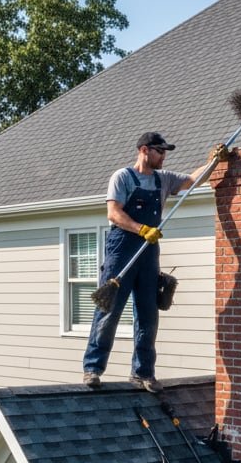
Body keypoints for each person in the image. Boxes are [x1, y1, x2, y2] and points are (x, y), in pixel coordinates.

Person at [82, 132, 229, 392]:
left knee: (148, 315)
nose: (164, 156)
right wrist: (141, 230)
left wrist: (214, 161)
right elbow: (113, 213)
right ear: (144, 150)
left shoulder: (165, 179)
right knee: (109, 311)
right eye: (160, 151)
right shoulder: (123, 177)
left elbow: (194, 180)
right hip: (122, 249)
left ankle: (143, 373)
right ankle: (93, 368)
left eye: (165, 152)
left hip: (149, 251)